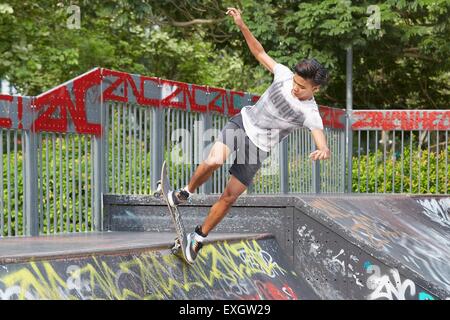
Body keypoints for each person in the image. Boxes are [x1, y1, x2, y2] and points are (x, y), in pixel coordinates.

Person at [167, 7, 331, 263]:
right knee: (213, 161)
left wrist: (323, 149)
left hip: (258, 149)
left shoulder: (310, 112)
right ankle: (185, 192)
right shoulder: (284, 75)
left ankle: (198, 238)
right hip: (243, 124)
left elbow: (319, 135)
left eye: (302, 87)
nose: (295, 89)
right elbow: (259, 52)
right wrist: (242, 24)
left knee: (230, 196)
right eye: (295, 83)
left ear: (316, 88)